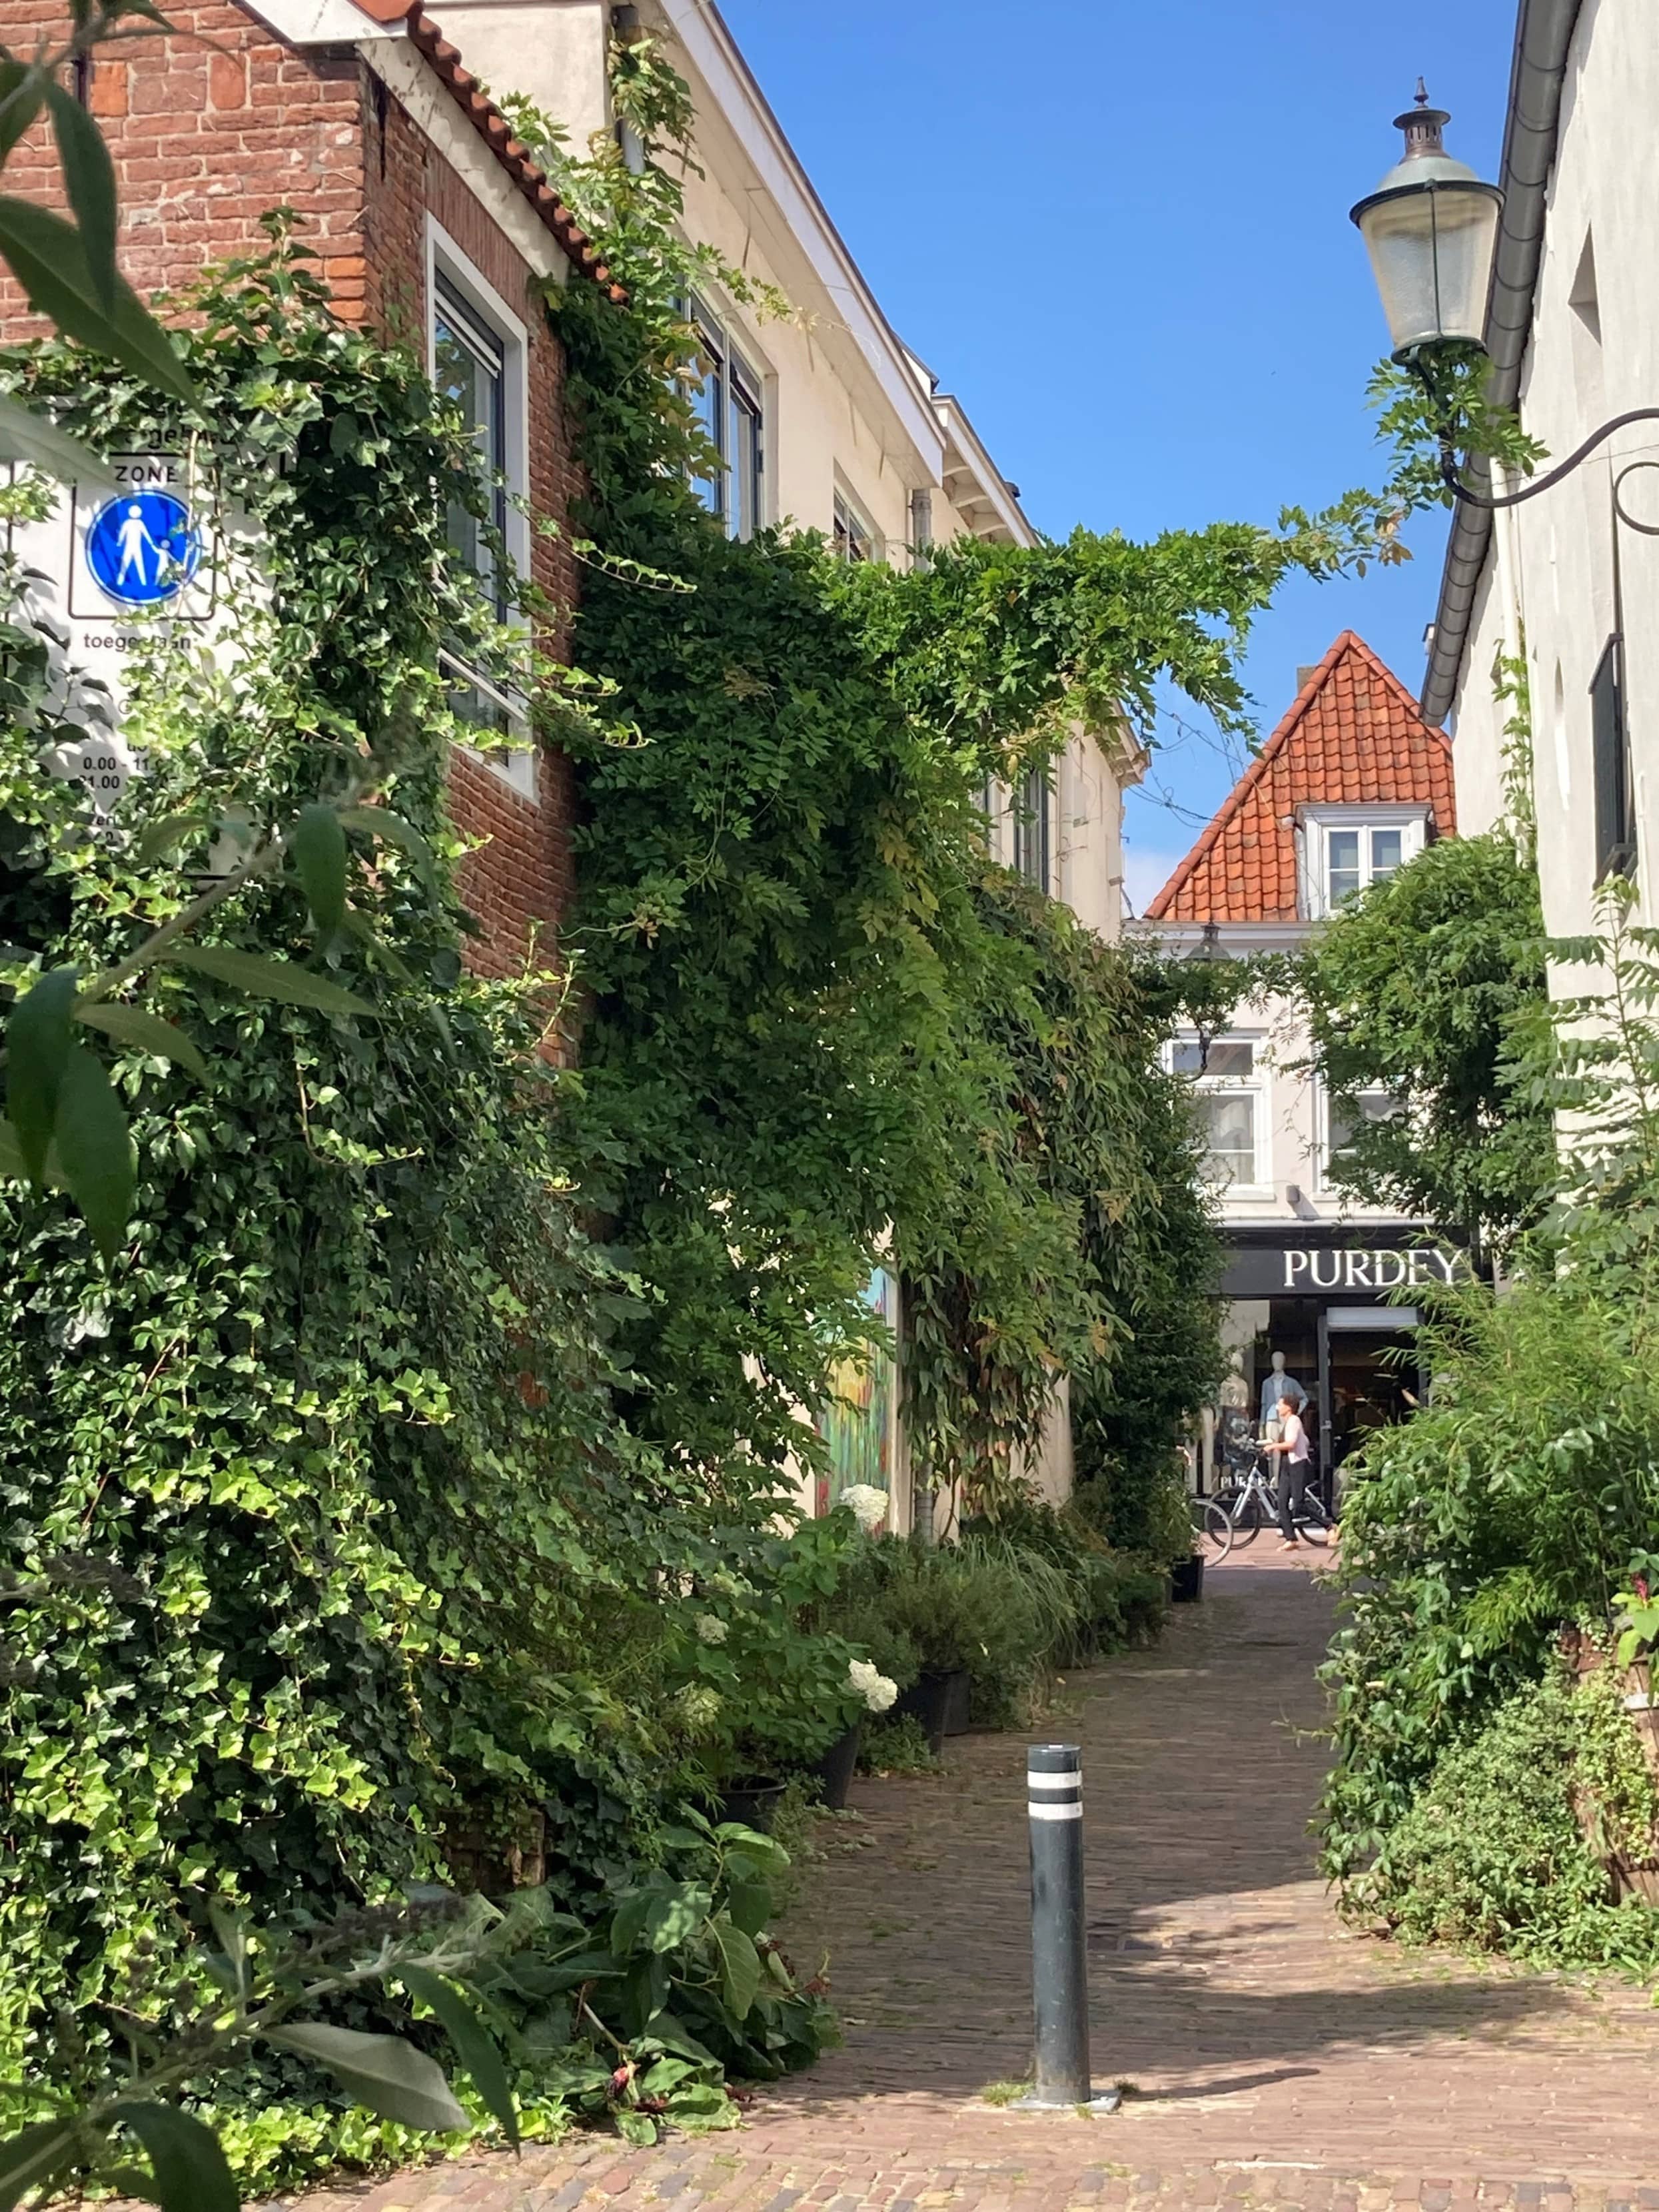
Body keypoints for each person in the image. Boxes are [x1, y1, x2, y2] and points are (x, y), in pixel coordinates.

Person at [1261, 1390, 1315, 1551]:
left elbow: (1291, 1444)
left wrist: (1272, 1447)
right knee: (1281, 1501)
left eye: (1280, 1404)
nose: (1277, 1407)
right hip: (1286, 1464)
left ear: (1289, 1407)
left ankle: (1329, 1525)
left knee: (1298, 1503)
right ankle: (1290, 1538)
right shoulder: (1286, 1423)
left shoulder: (1294, 1421)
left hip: (1297, 1464)